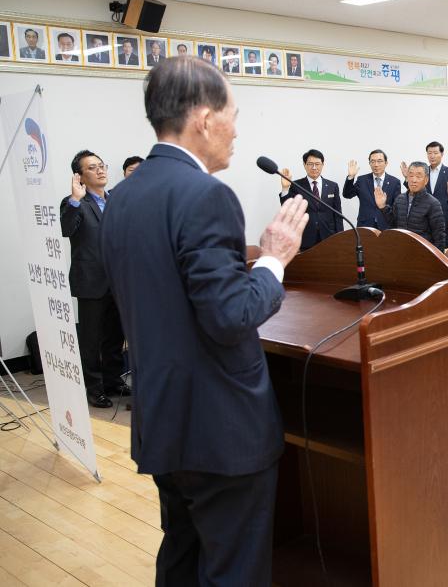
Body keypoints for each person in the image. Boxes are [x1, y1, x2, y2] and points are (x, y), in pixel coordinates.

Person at [101, 56, 309, 585]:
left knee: (182, 555)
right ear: (204, 119)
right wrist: (274, 259)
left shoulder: (122, 197)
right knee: (232, 569)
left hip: (163, 421)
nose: (237, 130)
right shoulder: (206, 195)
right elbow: (231, 316)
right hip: (221, 431)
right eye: (234, 114)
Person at [60, 150, 128, 409]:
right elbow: (66, 229)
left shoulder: (117, 201)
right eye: (92, 167)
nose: (100, 170)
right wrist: (76, 199)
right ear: (79, 176)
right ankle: (94, 388)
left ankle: (113, 380)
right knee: (91, 340)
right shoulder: (73, 203)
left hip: (118, 281)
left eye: (101, 165)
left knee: (114, 336)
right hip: (90, 282)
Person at [279, 149, 343, 250]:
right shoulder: (296, 185)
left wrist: (340, 237)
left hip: (329, 236)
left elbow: (338, 215)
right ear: (304, 165)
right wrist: (285, 188)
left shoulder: (332, 186)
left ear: (322, 164)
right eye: (310, 164)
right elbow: (288, 209)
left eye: (317, 164)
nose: (314, 167)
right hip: (305, 237)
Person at [377, 162, 445, 250]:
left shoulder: (433, 203)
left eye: (418, 176)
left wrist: (436, 261)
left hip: (423, 253)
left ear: (426, 180)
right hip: (401, 250)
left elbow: (439, 237)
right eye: (411, 175)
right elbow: (393, 224)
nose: (414, 180)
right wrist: (383, 206)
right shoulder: (399, 199)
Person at [403, 141, 448, 245]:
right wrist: (407, 178)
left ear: (442, 154)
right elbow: (415, 190)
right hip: (423, 216)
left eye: (435, 153)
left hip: (443, 216)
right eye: (429, 153)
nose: (432, 156)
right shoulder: (423, 171)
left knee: (442, 246)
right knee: (425, 245)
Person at [343, 149, 401, 229]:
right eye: (372, 161)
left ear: (386, 163)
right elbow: (347, 194)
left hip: (386, 225)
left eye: (379, 161)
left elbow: (396, 208)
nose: (376, 165)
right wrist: (351, 177)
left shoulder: (394, 182)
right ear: (369, 163)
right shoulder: (362, 180)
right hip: (365, 225)